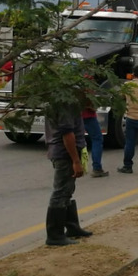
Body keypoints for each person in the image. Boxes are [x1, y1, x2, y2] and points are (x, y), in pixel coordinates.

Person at [44, 97, 91, 246]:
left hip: (62, 152)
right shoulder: (67, 101)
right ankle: (55, 235)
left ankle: (72, 227)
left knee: (68, 189)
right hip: (64, 154)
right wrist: (76, 161)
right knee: (61, 191)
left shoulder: (61, 98)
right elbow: (67, 134)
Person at [82, 107, 107, 177]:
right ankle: (97, 168)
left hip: (76, 116)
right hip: (88, 116)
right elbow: (90, 102)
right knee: (97, 139)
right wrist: (94, 107)